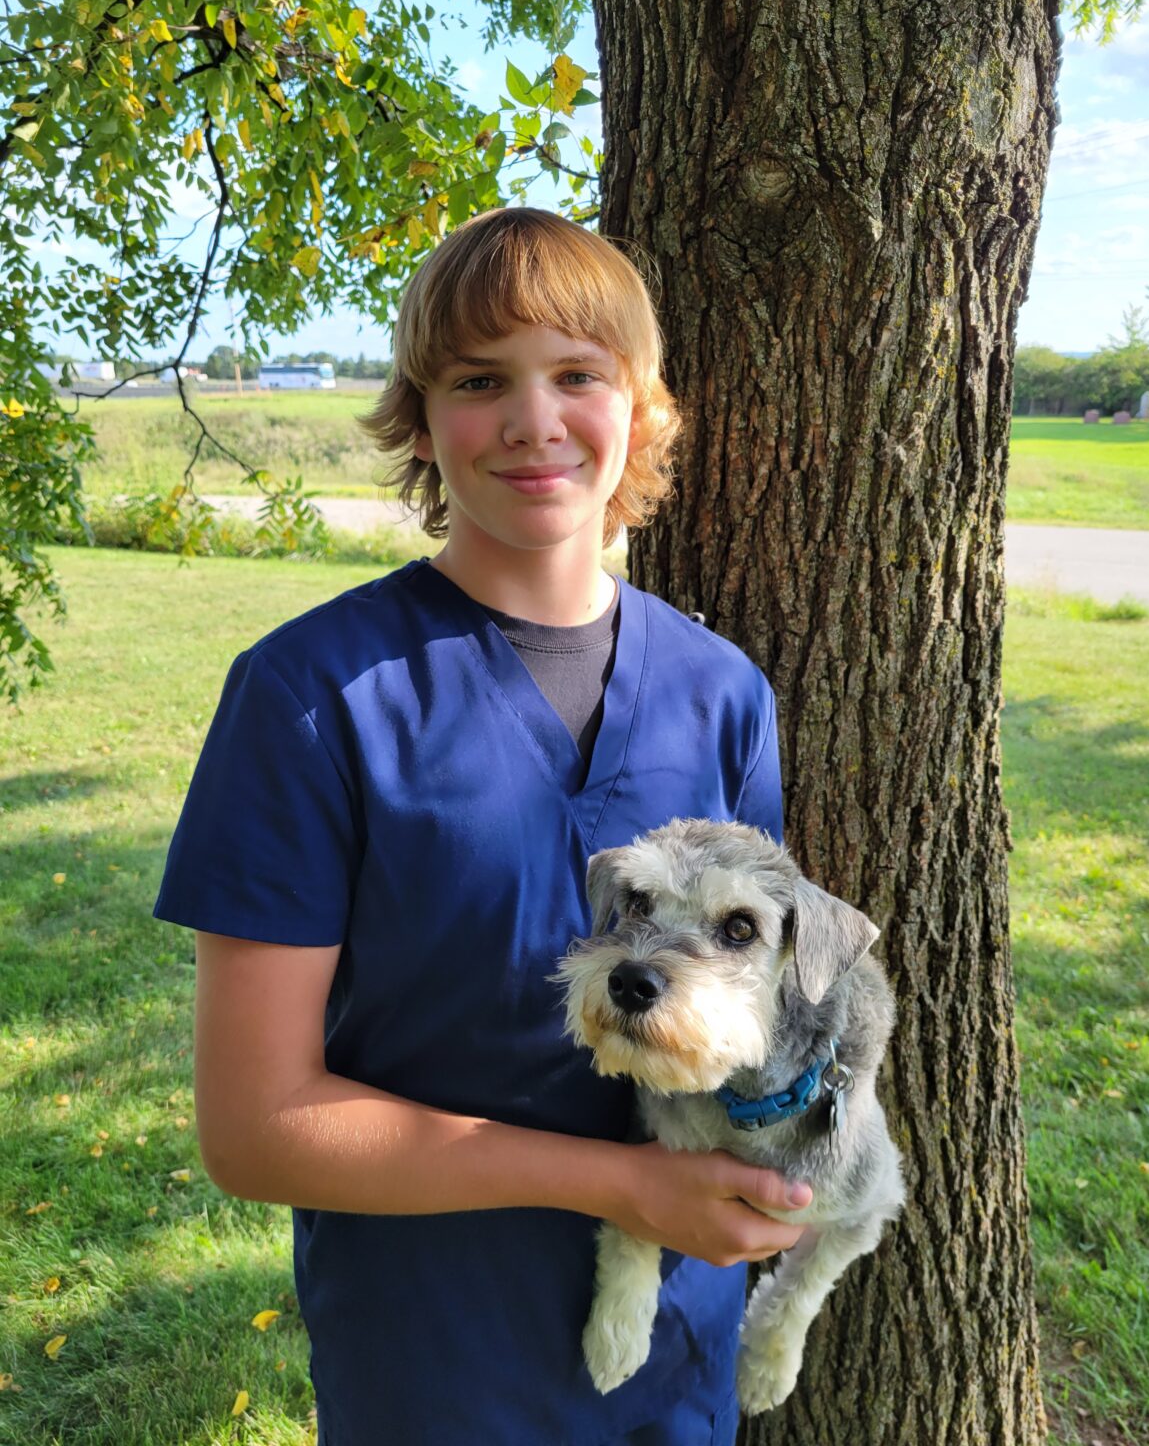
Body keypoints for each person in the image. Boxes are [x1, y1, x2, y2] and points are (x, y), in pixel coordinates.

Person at [154, 206, 810, 1446]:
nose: (533, 420)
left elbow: (751, 1016)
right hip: (437, 1357)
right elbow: (254, 1125)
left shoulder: (723, 694)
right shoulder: (310, 698)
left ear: (641, 404)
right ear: (420, 415)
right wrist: (618, 1182)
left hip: (672, 1347)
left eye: (578, 374)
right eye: (478, 380)